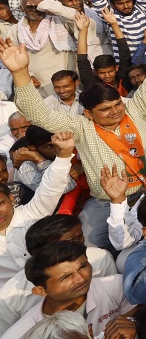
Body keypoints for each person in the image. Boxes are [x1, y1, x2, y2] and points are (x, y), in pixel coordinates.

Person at [4, 5, 146, 250]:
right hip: (105, 201)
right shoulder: (80, 126)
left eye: (117, 104)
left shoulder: (137, 107)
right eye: (105, 110)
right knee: (89, 246)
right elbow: (38, 114)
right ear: (88, 113)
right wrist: (20, 72)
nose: (116, 111)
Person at [0, 214, 117, 335]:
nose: (80, 279)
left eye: (80, 237)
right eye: (65, 276)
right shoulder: (8, 298)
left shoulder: (102, 260)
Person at [3, 241, 136, 339]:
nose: (80, 278)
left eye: (83, 266)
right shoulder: (20, 334)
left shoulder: (117, 286)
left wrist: (134, 326)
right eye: (66, 276)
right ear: (41, 291)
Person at [0, 132, 74, 287]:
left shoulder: (32, 214)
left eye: (0, 204)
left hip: (61, 285)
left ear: (11, 198)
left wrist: (64, 155)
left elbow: (50, 188)